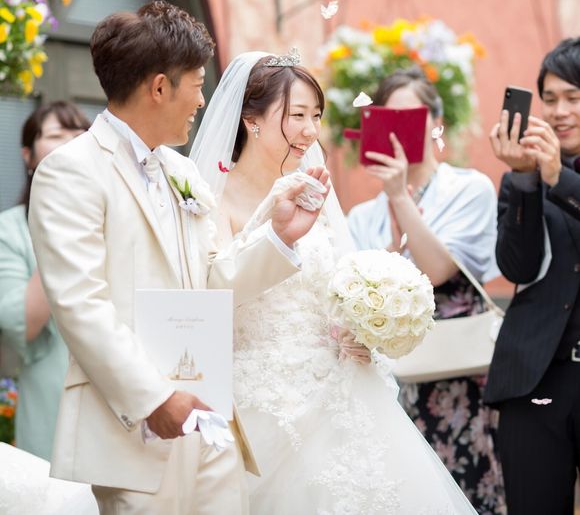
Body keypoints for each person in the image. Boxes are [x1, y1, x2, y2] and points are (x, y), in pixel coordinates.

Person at [28, 1, 328, 515]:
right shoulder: (71, 171)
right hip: (135, 429)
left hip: (211, 422)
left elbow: (211, 280)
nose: (203, 100)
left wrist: (279, 237)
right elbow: (81, 305)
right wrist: (155, 398)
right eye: (197, 83)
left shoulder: (180, 171)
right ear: (160, 87)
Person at [190, 50, 478, 514]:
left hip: (341, 388)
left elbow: (338, 282)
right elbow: (212, 290)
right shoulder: (213, 197)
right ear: (251, 120)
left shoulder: (313, 189)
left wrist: (358, 329)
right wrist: (276, 234)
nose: (310, 130)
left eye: (316, 116)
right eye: (297, 115)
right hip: (265, 396)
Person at [348, 68, 505, 514]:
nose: (399, 132)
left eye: (412, 118)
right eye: (388, 119)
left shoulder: (468, 189)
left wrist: (400, 197)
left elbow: (435, 270)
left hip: (460, 376)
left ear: (436, 122)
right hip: (393, 382)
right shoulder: (361, 215)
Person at [485, 37, 580, 515]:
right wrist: (525, 179)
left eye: (573, 98)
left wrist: (559, 178)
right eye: (550, 98)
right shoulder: (523, 175)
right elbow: (516, 267)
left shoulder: (556, 175)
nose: (559, 112)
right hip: (537, 377)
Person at [0, 101, 89, 460]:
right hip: (50, 398)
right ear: (28, 154)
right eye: (56, 135)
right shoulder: (10, 229)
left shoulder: (114, 215)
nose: (71, 142)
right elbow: (23, 323)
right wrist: (62, 220)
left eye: (79, 134)